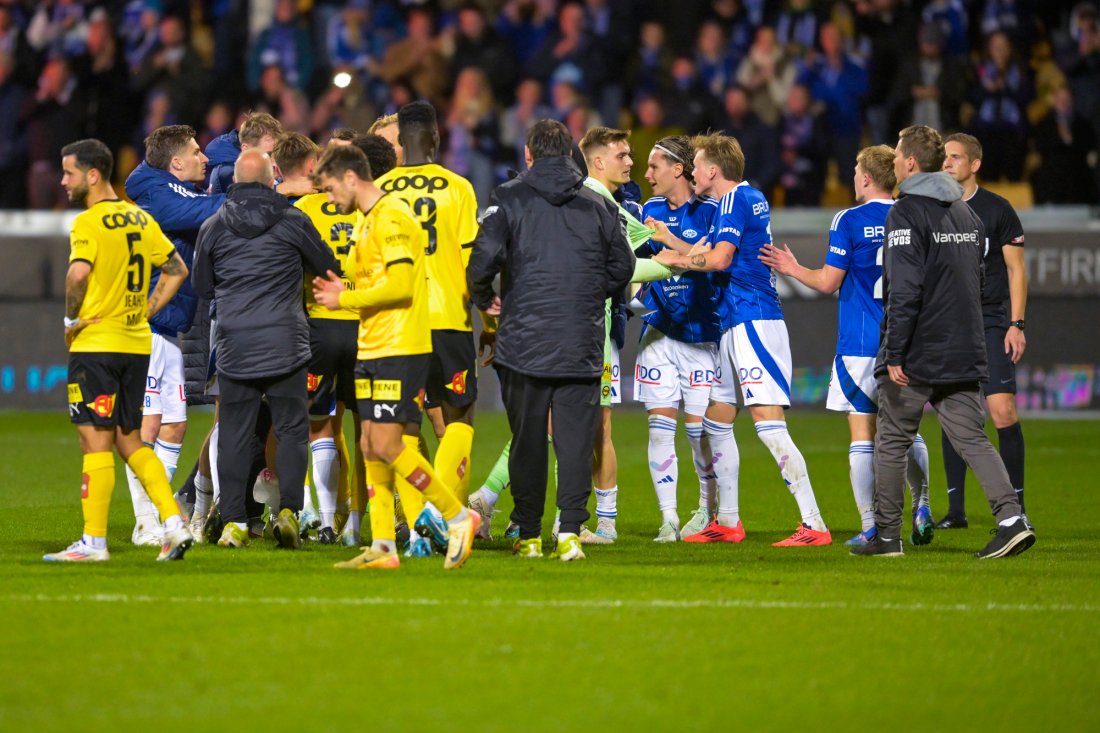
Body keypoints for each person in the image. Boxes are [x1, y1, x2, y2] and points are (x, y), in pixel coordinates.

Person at [850, 125, 1035, 559]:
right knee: (971, 436)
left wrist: (894, 350)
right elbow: (980, 279)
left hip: (918, 351)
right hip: (966, 345)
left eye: (897, 155)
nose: (894, 161)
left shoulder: (907, 213)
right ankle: (1011, 519)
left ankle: (888, 536)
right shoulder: (966, 214)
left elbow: (905, 289)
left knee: (892, 439)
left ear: (910, 162)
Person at [467, 119, 635, 561]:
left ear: (528, 155)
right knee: (576, 441)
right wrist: (585, 292)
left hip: (523, 344)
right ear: (570, 156)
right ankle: (570, 533)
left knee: (526, 440)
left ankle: (528, 536)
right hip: (581, 341)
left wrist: (487, 301)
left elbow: (480, 262)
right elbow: (623, 265)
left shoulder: (508, 199)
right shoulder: (596, 204)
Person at [655, 133, 831, 547]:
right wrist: (672, 242)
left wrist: (676, 261)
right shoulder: (738, 201)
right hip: (734, 322)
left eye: (696, 165)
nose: (693, 172)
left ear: (713, 170)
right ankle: (728, 521)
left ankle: (815, 524)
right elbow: (713, 253)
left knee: (768, 424)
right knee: (717, 420)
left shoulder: (734, 200)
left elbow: (719, 260)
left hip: (754, 320)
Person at [311, 144, 481, 570]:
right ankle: (383, 546)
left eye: (331, 189)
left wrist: (345, 297)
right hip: (372, 343)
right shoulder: (367, 222)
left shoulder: (393, 217)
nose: (329, 200)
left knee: (388, 443)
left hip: (400, 345)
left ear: (351, 178)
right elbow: (365, 276)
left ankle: (458, 517)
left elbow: (403, 286)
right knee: (370, 443)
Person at [759, 145, 934, 547]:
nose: (852, 177)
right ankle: (922, 501)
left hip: (860, 344)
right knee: (905, 430)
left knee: (861, 434)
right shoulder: (914, 215)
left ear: (867, 178)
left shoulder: (849, 219)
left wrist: (791, 267)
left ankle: (872, 525)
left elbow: (827, 281)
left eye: (855, 170)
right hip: (907, 342)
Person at [46, 138, 194, 563]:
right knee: (131, 442)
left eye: (69, 172)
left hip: (97, 346)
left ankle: (94, 544)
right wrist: (145, 310)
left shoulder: (90, 223)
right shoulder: (139, 218)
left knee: (95, 442)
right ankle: (173, 523)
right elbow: (176, 268)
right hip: (135, 344)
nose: (63, 180)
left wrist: (71, 322)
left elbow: (77, 275)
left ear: (93, 175)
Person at [192, 149, 339, 549]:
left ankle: (235, 522)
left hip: (235, 345)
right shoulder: (293, 220)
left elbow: (202, 286)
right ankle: (289, 511)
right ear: (273, 177)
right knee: (292, 429)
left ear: (235, 181)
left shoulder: (214, 225)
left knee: (235, 433)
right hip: (286, 343)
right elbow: (327, 265)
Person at [372, 102, 491, 546]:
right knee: (458, 419)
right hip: (449, 319)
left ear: (399, 143)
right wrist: (488, 324)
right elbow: (469, 262)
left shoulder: (380, 190)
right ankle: (449, 517)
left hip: (398, 324)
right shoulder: (458, 188)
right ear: (437, 140)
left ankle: (422, 525)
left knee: (403, 428)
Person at [123, 124, 225, 545]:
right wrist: (258, 191)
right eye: (196, 152)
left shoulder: (168, 190)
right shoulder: (159, 194)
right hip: (144, 329)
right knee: (147, 425)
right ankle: (146, 521)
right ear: (176, 162)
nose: (204, 158)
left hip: (167, 330)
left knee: (175, 426)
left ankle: (161, 516)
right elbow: (207, 210)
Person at [936, 133, 1029, 529]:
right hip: (949, 322)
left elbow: (1016, 269)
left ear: (974, 164)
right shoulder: (931, 208)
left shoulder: (998, 209)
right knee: (953, 413)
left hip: (990, 320)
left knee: (1001, 410)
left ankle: (1016, 508)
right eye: (943, 158)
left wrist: (1017, 324)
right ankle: (956, 511)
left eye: (955, 157)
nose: (947, 164)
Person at [636, 136, 721, 542]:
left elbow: (715, 262)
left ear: (678, 170)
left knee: (700, 430)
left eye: (654, 167)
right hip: (658, 330)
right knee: (658, 428)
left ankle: (707, 510)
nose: (647, 174)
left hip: (702, 334)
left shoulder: (711, 211)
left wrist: (674, 248)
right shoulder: (647, 211)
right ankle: (668, 518)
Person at [204, 111, 283, 194]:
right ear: (245, 149)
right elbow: (251, 199)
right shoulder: (226, 173)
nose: (275, 163)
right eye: (267, 155)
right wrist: (285, 187)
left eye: (277, 154)